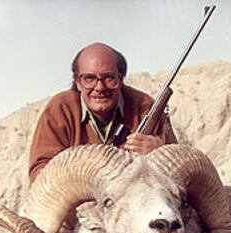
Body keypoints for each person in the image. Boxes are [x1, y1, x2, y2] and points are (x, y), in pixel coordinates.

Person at [29, 42, 177, 183]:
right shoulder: (60, 110)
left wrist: (160, 153)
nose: (99, 87)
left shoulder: (146, 108)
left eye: (108, 78)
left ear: (121, 78)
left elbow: (178, 170)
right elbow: (40, 171)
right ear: (77, 82)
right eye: (89, 78)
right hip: (82, 204)